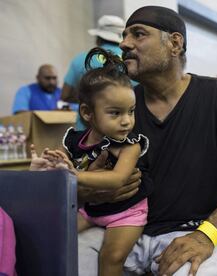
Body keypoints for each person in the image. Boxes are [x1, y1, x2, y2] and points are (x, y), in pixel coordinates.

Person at [78, 6, 217, 276]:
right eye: (124, 35)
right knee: (65, 257)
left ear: (175, 43)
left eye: (138, 34)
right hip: (124, 230)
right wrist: (91, 188)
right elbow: (89, 174)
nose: (124, 43)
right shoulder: (121, 109)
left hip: (195, 231)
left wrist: (207, 234)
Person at [31, 48, 151, 276]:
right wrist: (48, 164)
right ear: (87, 113)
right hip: (92, 209)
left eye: (131, 111)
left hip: (126, 214)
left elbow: (117, 179)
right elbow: (61, 162)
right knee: (57, 238)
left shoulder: (130, 144)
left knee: (111, 258)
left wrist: (73, 174)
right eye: (115, 113)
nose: (127, 121)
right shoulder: (76, 140)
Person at [61, 15, 126, 130]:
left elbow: (65, 95)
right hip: (123, 129)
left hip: (86, 131)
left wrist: (91, 99)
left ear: (98, 38)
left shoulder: (80, 59)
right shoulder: (130, 60)